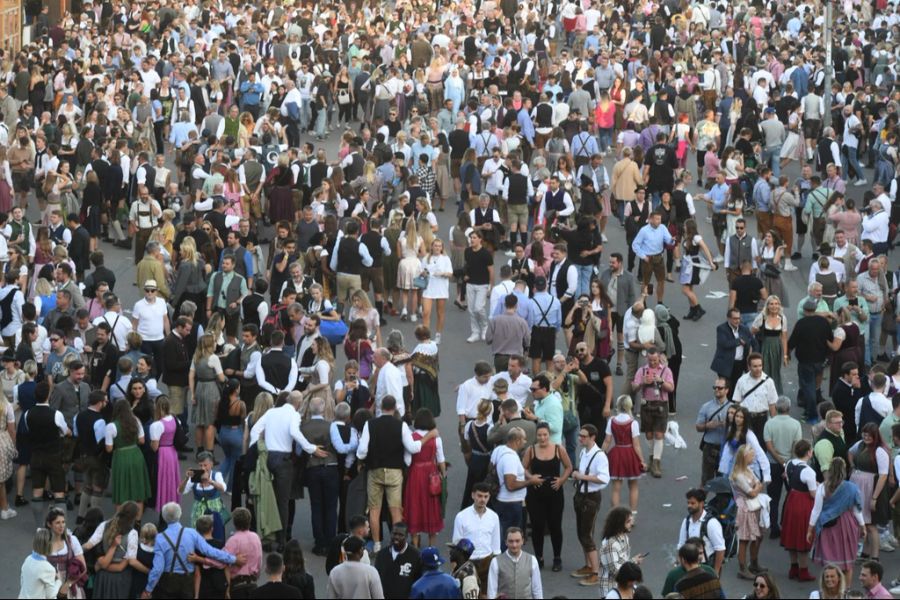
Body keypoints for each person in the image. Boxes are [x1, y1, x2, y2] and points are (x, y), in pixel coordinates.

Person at [356, 395, 436, 551]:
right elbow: (413, 448)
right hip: (394, 472)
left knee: (374, 509)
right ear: (395, 408)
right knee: (396, 509)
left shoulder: (369, 424)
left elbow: (362, 452)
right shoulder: (402, 426)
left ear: (380, 406)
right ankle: (397, 544)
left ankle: (377, 544)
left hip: (375, 471)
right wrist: (429, 436)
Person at [143, 502, 241, 599]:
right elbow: (210, 551)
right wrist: (233, 559)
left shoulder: (160, 538)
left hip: (168, 582)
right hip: (187, 581)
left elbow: (158, 568)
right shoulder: (191, 533)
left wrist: (148, 590)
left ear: (164, 518)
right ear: (179, 515)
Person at [522, 422, 572, 572]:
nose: (542, 438)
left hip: (554, 492)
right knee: (537, 526)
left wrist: (562, 480)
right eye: (539, 435)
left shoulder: (558, 449)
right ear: (536, 436)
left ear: (549, 435)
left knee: (555, 526)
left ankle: (557, 558)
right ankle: (539, 558)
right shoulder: (531, 450)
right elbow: (523, 467)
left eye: (545, 435)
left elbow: (569, 466)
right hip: (535, 493)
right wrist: (531, 478)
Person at [571, 424, 610, 587]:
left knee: (587, 535)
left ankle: (596, 572)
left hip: (591, 498)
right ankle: (588, 565)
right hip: (580, 495)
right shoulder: (583, 452)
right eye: (580, 435)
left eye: (584, 436)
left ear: (593, 437)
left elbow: (604, 478)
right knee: (581, 533)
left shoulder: (599, 456)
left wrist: (582, 476)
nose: (580, 438)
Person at [491, 427, 542, 547]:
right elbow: (511, 485)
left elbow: (491, 468)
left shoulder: (499, 450)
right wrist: (531, 482)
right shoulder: (511, 458)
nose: (525, 442)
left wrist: (529, 476)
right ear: (517, 440)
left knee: (502, 534)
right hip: (511, 504)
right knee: (509, 537)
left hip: (501, 500)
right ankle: (505, 562)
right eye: (524, 439)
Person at [848, 423, 891, 563]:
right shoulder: (860, 445)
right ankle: (865, 554)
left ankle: (875, 557)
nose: (865, 437)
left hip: (872, 489)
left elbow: (883, 475)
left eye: (868, 435)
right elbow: (849, 452)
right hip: (861, 488)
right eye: (864, 434)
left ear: (875, 435)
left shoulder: (880, 451)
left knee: (871, 525)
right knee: (865, 523)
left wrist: (874, 498)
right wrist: (853, 466)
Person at [405, 408, 446, 548]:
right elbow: (441, 459)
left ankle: (415, 545)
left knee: (415, 505)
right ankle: (431, 547)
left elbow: (408, 459)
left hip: (415, 473)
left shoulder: (411, 437)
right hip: (431, 473)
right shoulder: (436, 439)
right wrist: (443, 475)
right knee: (432, 507)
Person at [763, 396, 803, 539]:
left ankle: (774, 526)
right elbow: (796, 446)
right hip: (791, 465)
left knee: (773, 497)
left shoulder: (769, 424)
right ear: (789, 407)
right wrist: (787, 463)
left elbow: (769, 446)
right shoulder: (796, 424)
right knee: (792, 495)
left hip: (772, 464)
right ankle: (786, 523)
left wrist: (779, 461)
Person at [452, 482, 501, 595]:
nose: (482, 499)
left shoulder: (494, 517)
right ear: (473, 495)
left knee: (487, 594)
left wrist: (496, 567)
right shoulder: (461, 517)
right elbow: (456, 545)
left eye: (485, 496)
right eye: (479, 496)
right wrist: (456, 569)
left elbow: (496, 546)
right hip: (468, 563)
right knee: (469, 595)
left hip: (487, 562)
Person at [631, 348, 673, 477]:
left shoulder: (666, 370)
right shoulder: (642, 370)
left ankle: (656, 462)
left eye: (655, 360)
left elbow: (671, 388)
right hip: (647, 404)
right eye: (650, 360)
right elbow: (634, 387)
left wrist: (661, 381)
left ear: (659, 358)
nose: (653, 363)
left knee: (659, 434)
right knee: (649, 434)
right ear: (647, 359)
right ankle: (651, 457)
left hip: (661, 404)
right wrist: (642, 382)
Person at [603, 395, 645, 514]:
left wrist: (600, 454)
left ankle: (615, 515)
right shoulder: (633, 423)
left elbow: (607, 441)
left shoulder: (612, 421)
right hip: (630, 454)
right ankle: (632, 515)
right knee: (633, 486)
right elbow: (636, 445)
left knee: (616, 488)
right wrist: (642, 460)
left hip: (616, 454)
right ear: (629, 406)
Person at [731, 444, 766, 580]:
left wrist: (756, 488)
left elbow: (759, 484)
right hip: (745, 508)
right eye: (751, 455)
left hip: (753, 507)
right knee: (745, 539)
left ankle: (754, 563)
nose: (754, 457)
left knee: (758, 537)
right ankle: (743, 568)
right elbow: (752, 492)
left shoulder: (748, 470)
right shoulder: (739, 475)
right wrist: (756, 488)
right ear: (745, 457)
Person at [597, 506, 643, 597]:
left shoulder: (624, 537)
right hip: (611, 590)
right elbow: (616, 572)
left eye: (631, 520)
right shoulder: (610, 545)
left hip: (623, 587)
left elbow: (622, 562)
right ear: (619, 524)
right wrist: (633, 563)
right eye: (628, 521)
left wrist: (633, 561)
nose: (632, 524)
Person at [486, 527, 543, 600]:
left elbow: (537, 589)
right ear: (506, 542)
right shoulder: (495, 562)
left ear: (522, 541)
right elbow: (491, 592)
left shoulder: (532, 560)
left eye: (517, 541)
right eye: (511, 541)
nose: (514, 545)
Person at [710, 308, 754, 399]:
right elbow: (724, 344)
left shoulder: (744, 329)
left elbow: (753, 342)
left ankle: (731, 407)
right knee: (725, 388)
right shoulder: (721, 329)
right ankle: (723, 406)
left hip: (739, 364)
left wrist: (753, 357)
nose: (737, 321)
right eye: (734, 318)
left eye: (738, 318)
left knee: (735, 387)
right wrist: (738, 341)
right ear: (728, 318)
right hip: (725, 364)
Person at [326, 535, 385, 600]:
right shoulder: (371, 572)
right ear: (360, 551)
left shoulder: (335, 572)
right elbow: (378, 596)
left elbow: (330, 596)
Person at [373, 522, 422, 599]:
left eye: (400, 535)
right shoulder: (382, 554)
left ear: (406, 536)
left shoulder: (416, 555)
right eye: (394, 534)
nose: (396, 537)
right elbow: (376, 578)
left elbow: (419, 581)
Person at [224, 508, 263, 599]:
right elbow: (259, 560)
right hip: (252, 584)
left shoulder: (233, 540)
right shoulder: (256, 537)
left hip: (237, 586)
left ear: (235, 523)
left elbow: (223, 562)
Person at [19, 528, 63, 600]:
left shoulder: (28, 558)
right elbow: (50, 595)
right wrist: (59, 581)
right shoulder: (48, 568)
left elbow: (22, 582)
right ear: (49, 546)